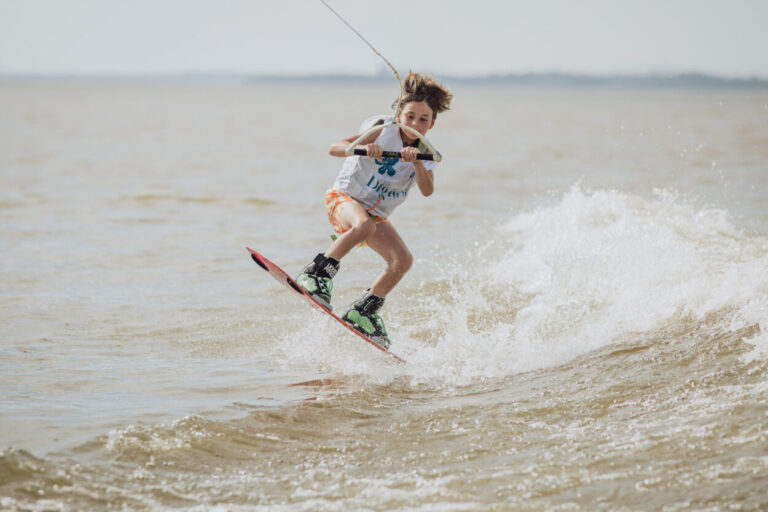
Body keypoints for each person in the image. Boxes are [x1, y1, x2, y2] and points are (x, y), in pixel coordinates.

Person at [296, 71, 452, 348]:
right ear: (399, 115)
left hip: (375, 215)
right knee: (363, 225)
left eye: (423, 119)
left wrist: (416, 163)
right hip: (342, 199)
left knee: (402, 260)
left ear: (432, 123)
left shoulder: (426, 153)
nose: (414, 123)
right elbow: (335, 147)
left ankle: (363, 311)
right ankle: (316, 274)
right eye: (410, 117)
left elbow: (428, 191)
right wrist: (363, 146)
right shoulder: (382, 128)